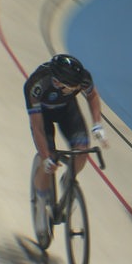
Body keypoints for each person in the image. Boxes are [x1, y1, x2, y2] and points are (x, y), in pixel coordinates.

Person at [24, 54, 108, 237]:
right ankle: (40, 201)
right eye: (74, 87)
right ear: (58, 82)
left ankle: (68, 179)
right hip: (42, 116)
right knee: (49, 162)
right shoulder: (37, 85)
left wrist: (97, 124)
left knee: (82, 149)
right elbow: (37, 127)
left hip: (67, 111)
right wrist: (46, 157)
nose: (78, 88)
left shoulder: (81, 78)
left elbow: (92, 95)